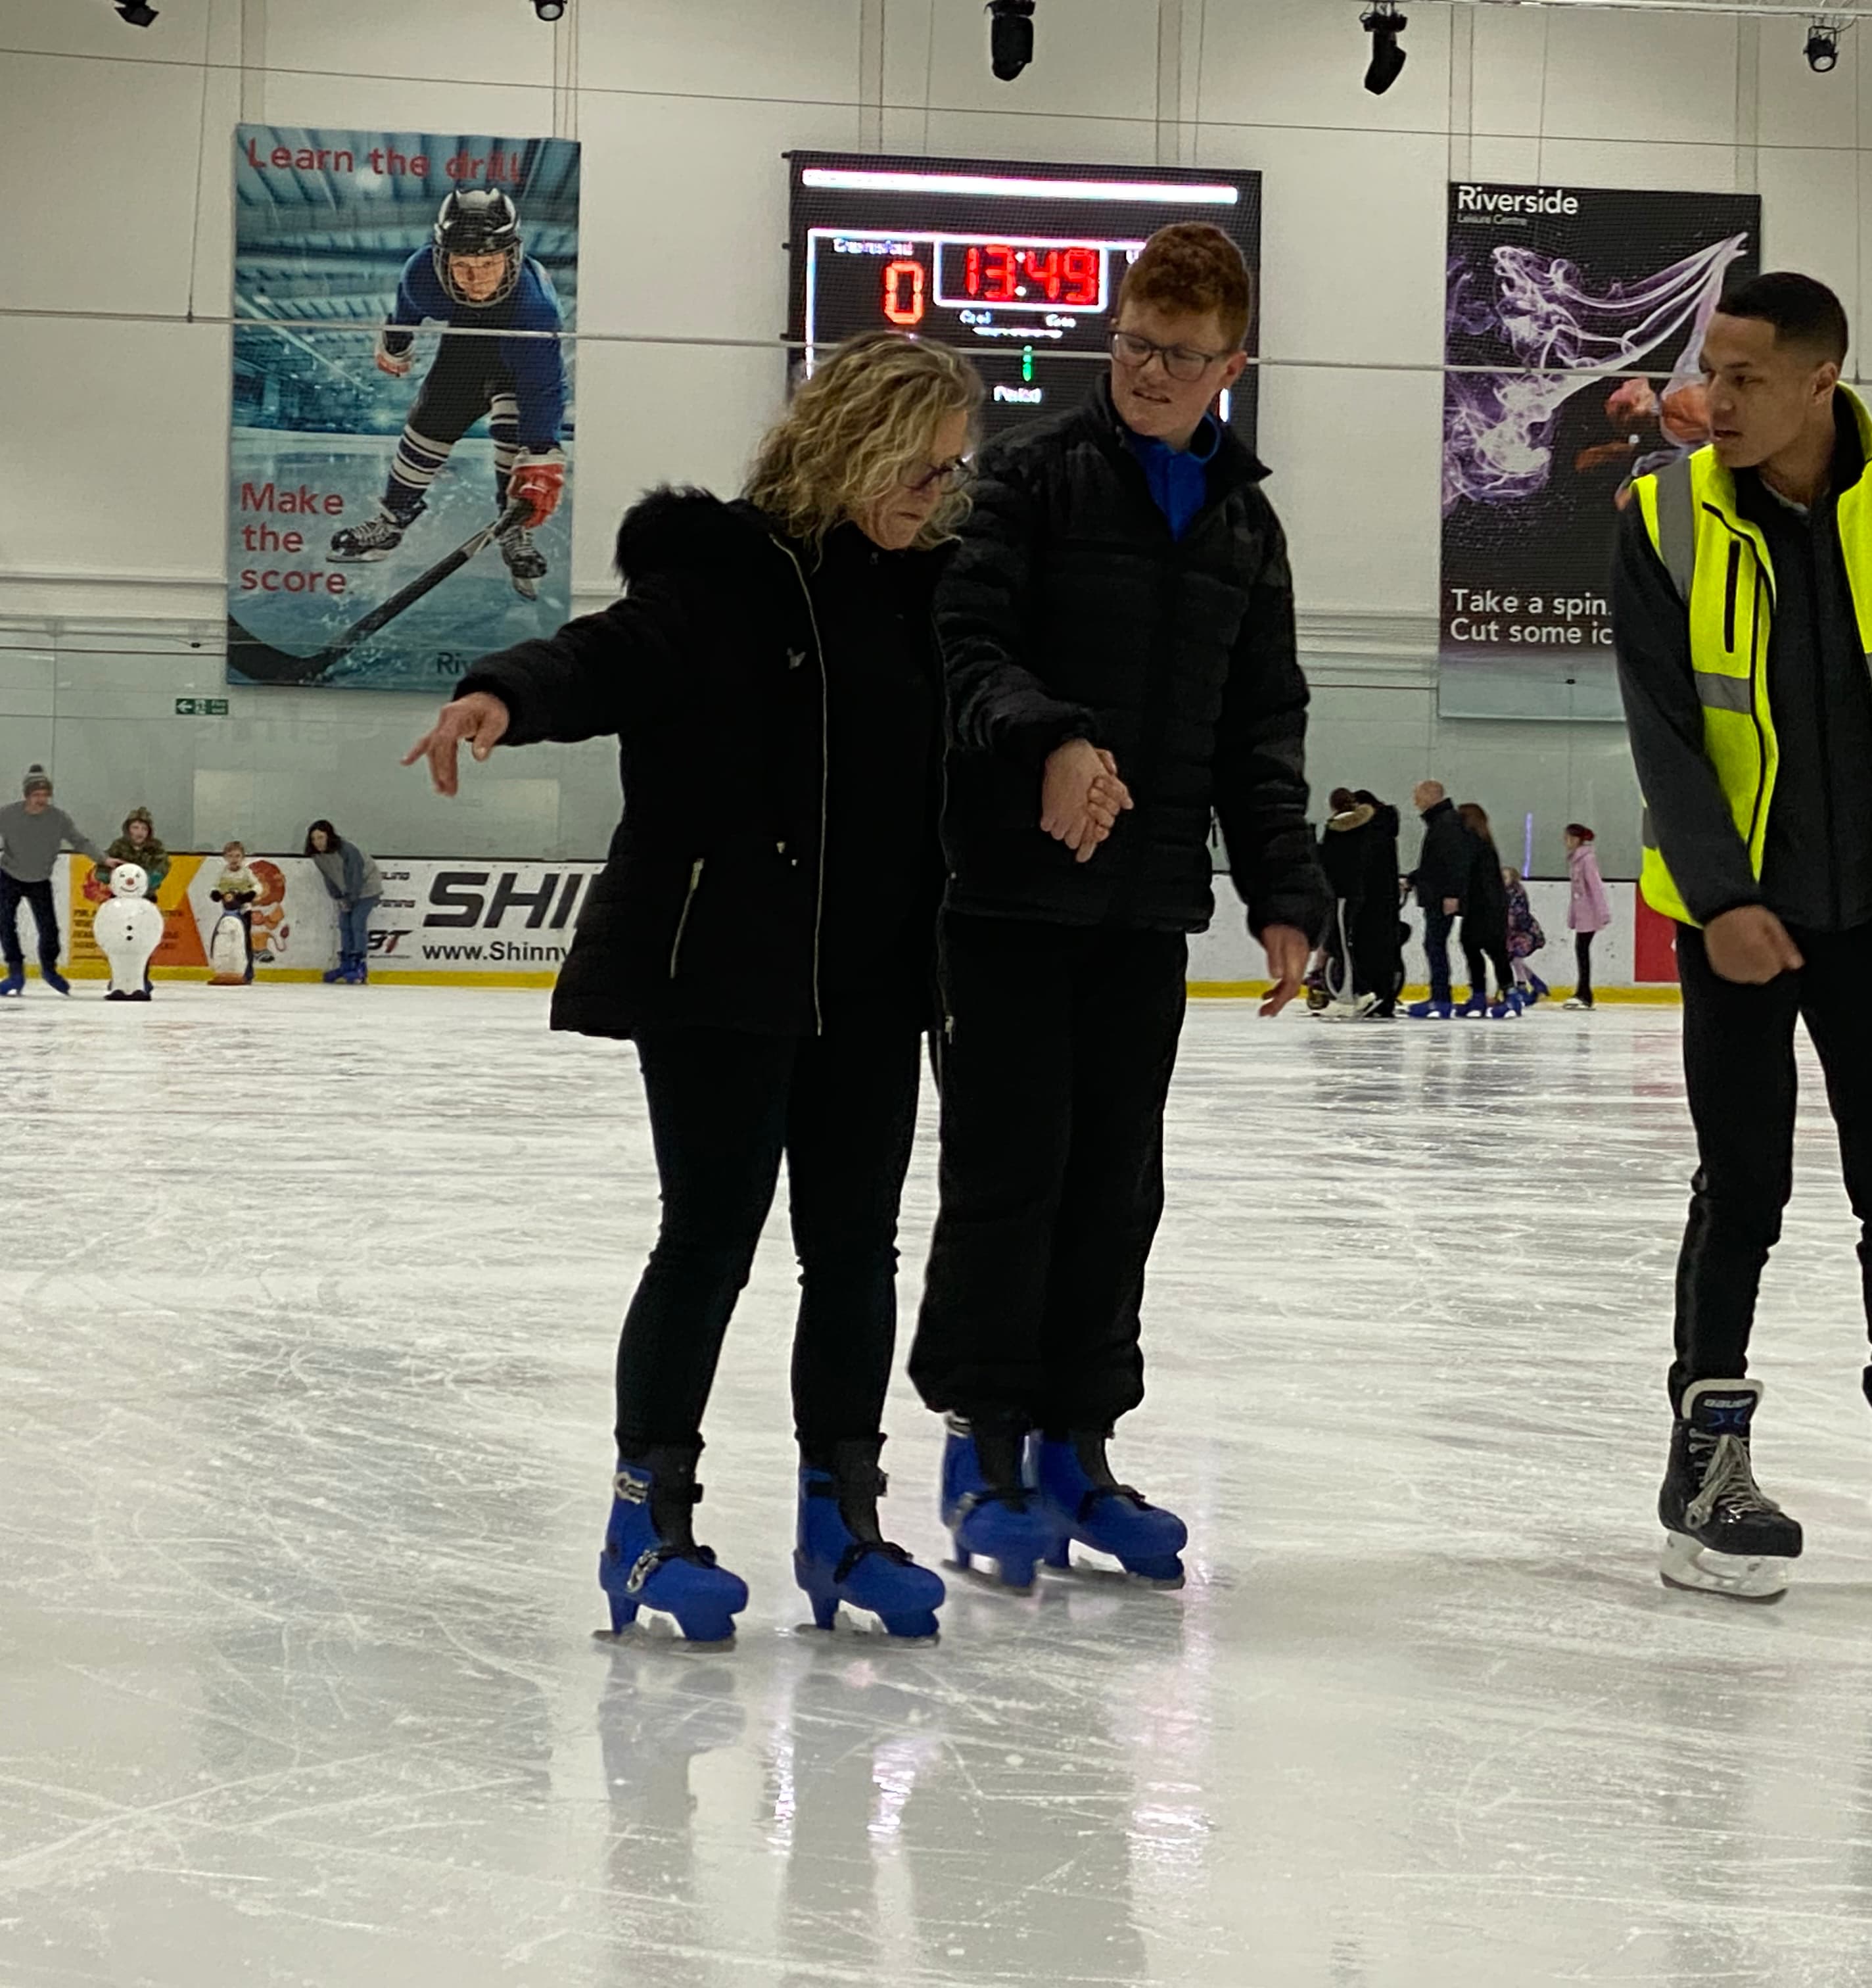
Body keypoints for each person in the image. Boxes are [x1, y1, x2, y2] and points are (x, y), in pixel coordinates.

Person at [404, 331, 986, 1645]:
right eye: (921, 467)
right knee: (710, 1239)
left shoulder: (935, 595)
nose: (937, 494)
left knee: (855, 1252)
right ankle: (647, 1525)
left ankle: (843, 1526)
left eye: (952, 472)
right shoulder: (722, 577)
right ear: (855, 445)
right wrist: (500, 695)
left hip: (873, 979)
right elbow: (600, 658)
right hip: (720, 963)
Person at [915, 221, 1329, 1592]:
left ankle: (1078, 1446)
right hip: (1003, 897)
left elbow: (1259, 724)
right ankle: (984, 1444)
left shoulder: (1244, 524)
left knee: (1114, 1185)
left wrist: (1283, 887)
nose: (1155, 373)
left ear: (1233, 366)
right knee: (1009, 1174)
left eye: (1185, 356)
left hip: (1144, 910)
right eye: (1140, 345)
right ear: (1114, 334)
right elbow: (960, 646)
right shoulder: (1025, 478)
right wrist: (1051, 736)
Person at [1612, 271, 1872, 1603]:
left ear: (1818, 380)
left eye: (1744, 378)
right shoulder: (1663, 515)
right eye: (1708, 372)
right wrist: (1721, 899)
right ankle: (1706, 1461)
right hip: (1736, 919)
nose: (1712, 400)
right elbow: (1666, 728)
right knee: (1743, 1186)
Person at [327, 191, 567, 598]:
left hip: (518, 359)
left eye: (488, 264)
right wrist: (398, 342)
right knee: (426, 429)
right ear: (442, 258)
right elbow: (406, 310)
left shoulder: (536, 307)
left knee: (517, 434)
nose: (477, 280)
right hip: (465, 350)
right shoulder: (422, 273)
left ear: (512, 256)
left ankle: (515, 529)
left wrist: (541, 456)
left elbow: (544, 389)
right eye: (462, 265)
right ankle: (391, 521)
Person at [1, 768, 101, 997]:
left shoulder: (58, 819)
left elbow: (80, 841)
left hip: (40, 880)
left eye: (45, 795)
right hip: (9, 876)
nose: (41, 799)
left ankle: (49, 969)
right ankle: (16, 973)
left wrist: (103, 859)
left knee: (49, 929)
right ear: (27, 795)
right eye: (36, 795)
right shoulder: (8, 815)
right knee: (5, 925)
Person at [1318, 788, 1404, 1018]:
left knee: (1340, 945)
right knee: (1343, 945)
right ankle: (1358, 993)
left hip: (1343, 893)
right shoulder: (1372, 828)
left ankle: (1356, 994)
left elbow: (1330, 862)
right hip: (1359, 894)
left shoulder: (1341, 828)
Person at [1406, 779, 1476, 1018]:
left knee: (1435, 944)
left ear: (1431, 795)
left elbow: (1455, 862)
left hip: (1441, 896)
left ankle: (1441, 998)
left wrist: (1452, 894)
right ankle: (1440, 996)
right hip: (1436, 893)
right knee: (1433, 944)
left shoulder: (1446, 823)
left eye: (1418, 795)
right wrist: (1413, 880)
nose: (1415, 800)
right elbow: (1434, 863)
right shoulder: (1440, 822)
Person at [98, 807, 172, 996]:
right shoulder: (118, 846)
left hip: (145, 900)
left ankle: (141, 978)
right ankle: (119, 978)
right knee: (119, 940)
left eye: (144, 829)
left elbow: (163, 867)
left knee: (141, 941)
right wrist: (109, 876)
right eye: (135, 827)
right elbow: (102, 868)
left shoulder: (155, 848)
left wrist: (149, 880)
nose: (139, 832)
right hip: (119, 902)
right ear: (128, 829)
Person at [1456, 802, 1517, 1017]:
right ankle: (1505, 995)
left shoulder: (1473, 845)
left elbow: (1472, 878)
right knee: (1491, 950)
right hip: (1490, 906)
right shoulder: (1485, 845)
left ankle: (1487, 996)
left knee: (1480, 949)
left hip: (1482, 907)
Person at [305, 821, 382, 985]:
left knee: (357, 922)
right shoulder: (318, 856)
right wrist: (338, 897)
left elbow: (355, 875)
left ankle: (360, 965)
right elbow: (329, 877)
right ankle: (347, 963)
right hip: (347, 892)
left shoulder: (347, 850)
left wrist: (351, 898)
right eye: (314, 839)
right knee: (344, 925)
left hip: (367, 887)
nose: (318, 842)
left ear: (329, 837)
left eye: (321, 837)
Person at [1563, 822, 1610, 1010]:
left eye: (1569, 838)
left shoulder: (1587, 859)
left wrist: (1603, 912)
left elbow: (1595, 886)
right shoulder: (1577, 859)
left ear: (1577, 839)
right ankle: (1583, 993)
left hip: (1590, 914)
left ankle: (1585, 995)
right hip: (1583, 915)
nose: (1566, 842)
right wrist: (1573, 916)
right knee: (1581, 950)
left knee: (1582, 950)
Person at [209, 841, 263, 985]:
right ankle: (227, 969)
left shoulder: (246, 872)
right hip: (228, 912)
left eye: (238, 856)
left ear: (243, 857)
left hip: (244, 911)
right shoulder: (223, 873)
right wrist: (215, 893)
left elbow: (258, 886)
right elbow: (215, 886)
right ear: (225, 857)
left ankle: (247, 973)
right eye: (231, 856)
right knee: (226, 939)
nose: (234, 859)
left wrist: (251, 894)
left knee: (245, 941)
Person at [1505, 862, 1552, 1006]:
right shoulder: (1502, 892)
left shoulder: (1517, 893)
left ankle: (1522, 987)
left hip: (1524, 931)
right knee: (1512, 958)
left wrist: (1511, 923)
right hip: (1511, 931)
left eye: (1505, 878)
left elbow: (1519, 913)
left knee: (1516, 957)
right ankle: (1537, 984)